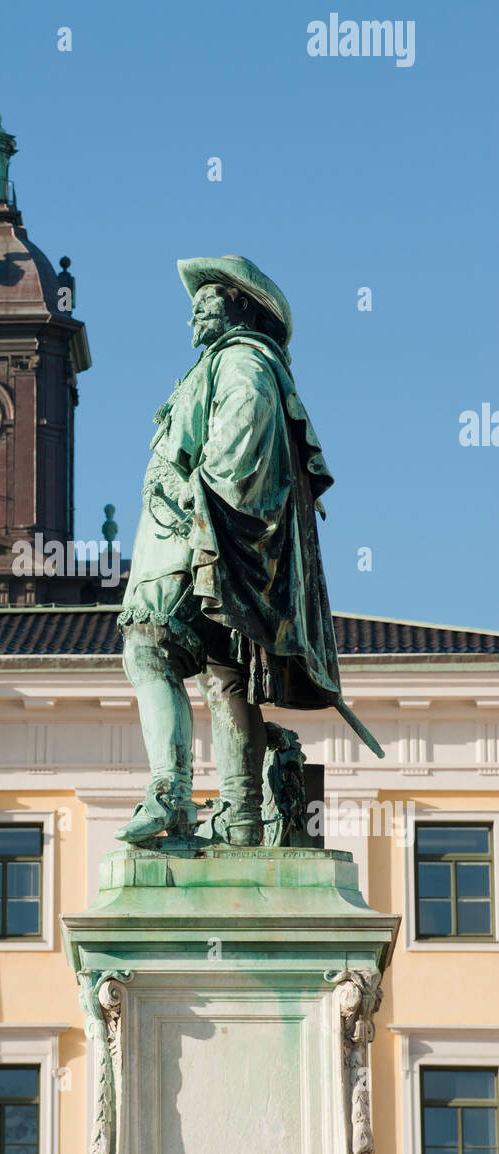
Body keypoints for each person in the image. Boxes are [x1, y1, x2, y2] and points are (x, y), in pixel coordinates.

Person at [116, 255, 346, 848]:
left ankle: (170, 794)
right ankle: (242, 816)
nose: (196, 307)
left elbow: (240, 453)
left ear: (244, 308)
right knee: (225, 678)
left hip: (197, 543)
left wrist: (187, 496)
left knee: (151, 650)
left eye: (211, 295)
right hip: (193, 546)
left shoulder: (242, 363)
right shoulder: (219, 366)